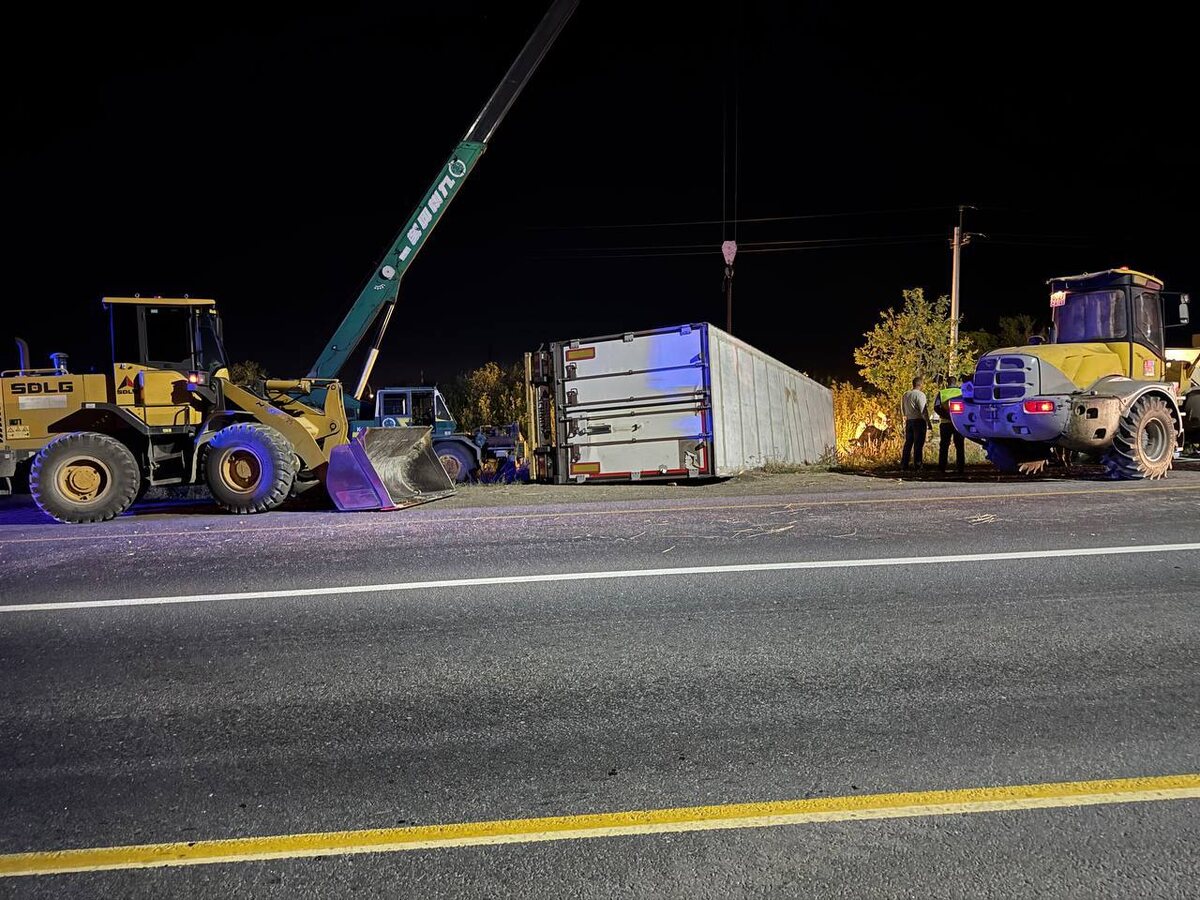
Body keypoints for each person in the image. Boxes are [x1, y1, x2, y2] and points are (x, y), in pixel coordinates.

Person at [934, 375, 966, 474]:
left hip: (945, 423)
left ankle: (942, 467)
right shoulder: (961, 392)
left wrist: (947, 416)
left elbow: (936, 407)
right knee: (960, 446)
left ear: (947, 383)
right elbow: (967, 406)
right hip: (958, 423)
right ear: (955, 383)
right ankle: (960, 468)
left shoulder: (942, 393)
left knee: (944, 445)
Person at [900, 375, 931, 470]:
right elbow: (923, 410)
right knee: (918, 444)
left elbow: (902, 408)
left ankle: (904, 464)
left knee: (908, 443)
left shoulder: (906, 395)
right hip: (919, 421)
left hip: (909, 421)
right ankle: (918, 465)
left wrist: (906, 417)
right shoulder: (920, 395)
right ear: (920, 384)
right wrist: (928, 422)